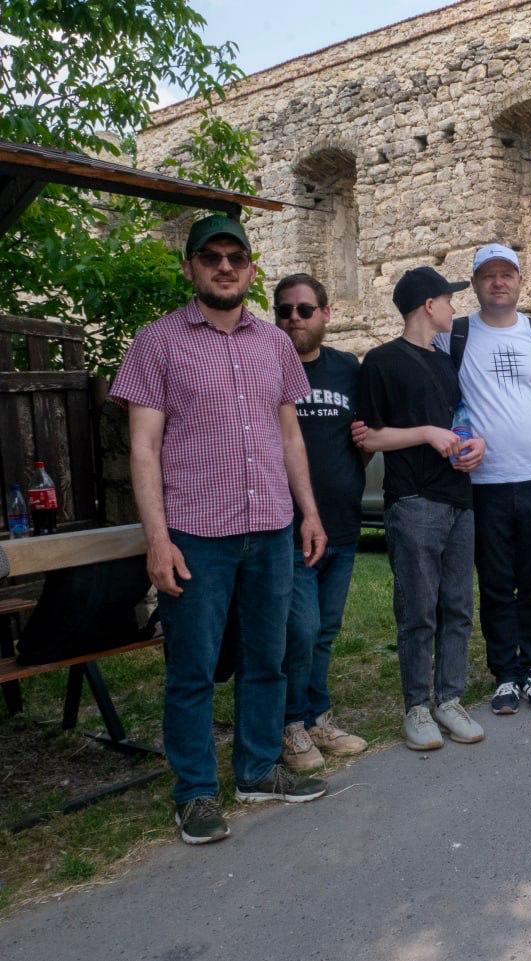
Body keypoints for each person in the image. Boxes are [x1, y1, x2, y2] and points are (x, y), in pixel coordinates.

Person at [110, 214, 328, 846]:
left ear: (251, 269)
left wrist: (309, 511)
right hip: (197, 535)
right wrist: (157, 538)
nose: (225, 266)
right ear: (191, 268)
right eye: (212, 257)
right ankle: (196, 793)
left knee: (268, 658)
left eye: (236, 256)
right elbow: (144, 449)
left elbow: (289, 434)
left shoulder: (274, 344)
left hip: (271, 528)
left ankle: (258, 769)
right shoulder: (156, 343)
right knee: (194, 669)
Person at [433, 244, 531, 716]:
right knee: (495, 585)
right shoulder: (453, 336)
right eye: (488, 275)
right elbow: (434, 398)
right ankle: (505, 675)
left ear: (520, 281)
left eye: (507, 274)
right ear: (474, 284)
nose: (499, 282)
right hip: (483, 484)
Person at [353, 267, 488, 749]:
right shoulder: (382, 361)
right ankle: (417, 708)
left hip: (459, 499)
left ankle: (449, 701)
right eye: (448, 300)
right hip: (413, 501)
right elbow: (368, 435)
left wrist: (475, 445)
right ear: (428, 305)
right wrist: (427, 434)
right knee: (417, 610)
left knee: (457, 607)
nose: (454, 308)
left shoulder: (447, 361)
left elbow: (460, 421)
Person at [273, 273, 368, 770]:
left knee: (326, 629)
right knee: (301, 629)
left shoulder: (347, 368)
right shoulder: (267, 368)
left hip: (344, 523)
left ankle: (317, 719)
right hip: (289, 527)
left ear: (326, 314)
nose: (294, 319)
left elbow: (365, 433)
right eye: (284, 310)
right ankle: (291, 725)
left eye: (304, 310)